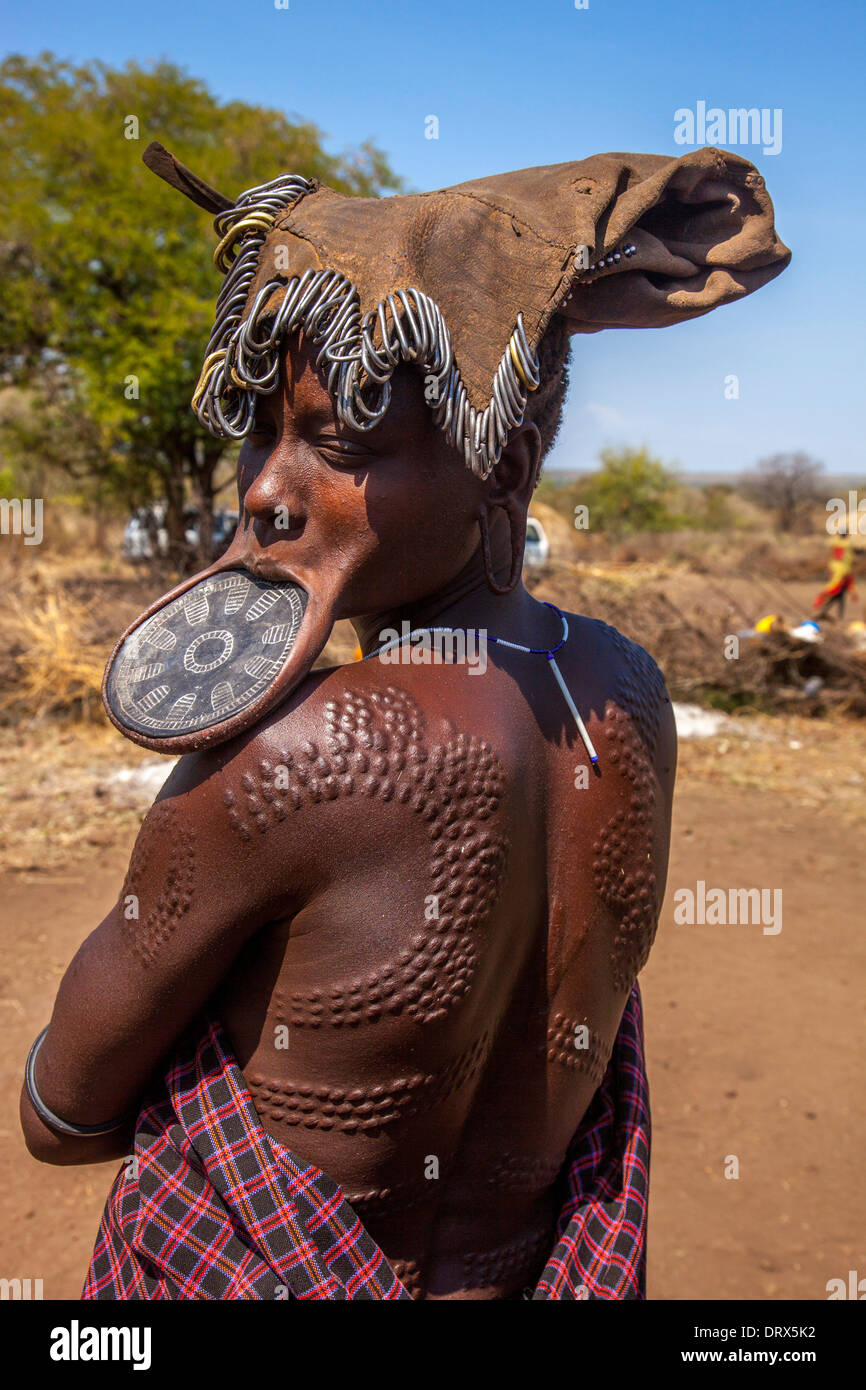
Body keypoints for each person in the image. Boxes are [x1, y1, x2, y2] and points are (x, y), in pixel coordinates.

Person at [20, 142, 789, 1300]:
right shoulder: (624, 691)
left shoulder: (297, 757)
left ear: (508, 466)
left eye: (338, 444)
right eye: (260, 430)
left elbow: (62, 1114)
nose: (265, 490)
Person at [814, 531, 860, 621]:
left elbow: (831, 552)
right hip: (843, 572)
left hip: (834, 569)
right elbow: (850, 558)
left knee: (839, 593)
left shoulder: (834, 543)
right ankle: (828, 611)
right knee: (838, 593)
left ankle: (835, 613)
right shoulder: (847, 545)